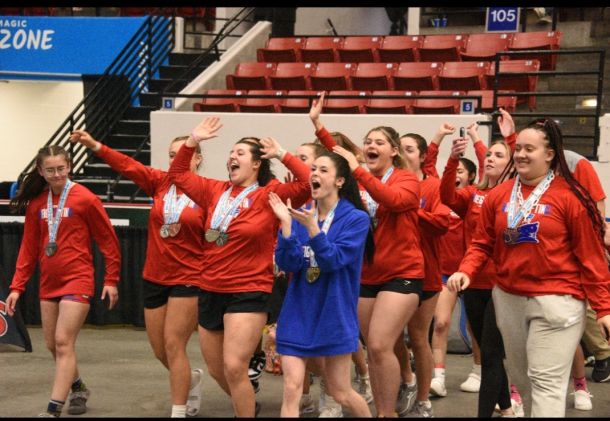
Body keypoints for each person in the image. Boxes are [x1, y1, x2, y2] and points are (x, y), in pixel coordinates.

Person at [447, 117, 610, 417]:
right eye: (518, 148)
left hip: (558, 299)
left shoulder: (572, 197)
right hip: (508, 298)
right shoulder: (499, 195)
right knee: (524, 382)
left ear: (549, 154)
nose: (521, 154)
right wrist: (466, 270)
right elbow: (482, 243)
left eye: (529, 149)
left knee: (545, 382)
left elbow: (591, 257)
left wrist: (603, 308)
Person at [168, 116, 311, 417]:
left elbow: (307, 184)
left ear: (256, 164)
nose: (232, 156)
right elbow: (178, 174)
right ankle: (247, 402)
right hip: (210, 287)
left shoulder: (268, 194)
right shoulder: (213, 190)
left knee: (234, 366)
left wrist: (282, 154)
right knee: (218, 369)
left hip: (248, 289)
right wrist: (192, 141)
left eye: (240, 153)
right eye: (231, 153)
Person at [68, 130, 206, 418]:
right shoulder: (159, 182)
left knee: (174, 344)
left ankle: (178, 410)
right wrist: (95, 145)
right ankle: (191, 379)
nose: (176, 160)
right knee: (160, 350)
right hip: (155, 276)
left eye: (183, 154)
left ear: (198, 158)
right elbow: (127, 165)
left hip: (189, 277)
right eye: (171, 155)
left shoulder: (208, 191)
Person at [310, 92, 424, 417]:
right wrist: (318, 125)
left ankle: (387, 412)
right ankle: (386, 405)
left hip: (402, 273)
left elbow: (393, 200)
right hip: (366, 274)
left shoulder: (406, 179)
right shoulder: (358, 180)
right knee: (373, 351)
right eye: (367, 141)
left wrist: (358, 169)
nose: (371, 145)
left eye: (379, 142)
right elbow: (334, 161)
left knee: (378, 344)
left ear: (394, 151)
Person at [6, 145, 120, 417]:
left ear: (69, 166)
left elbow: (108, 241)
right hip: (49, 282)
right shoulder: (37, 204)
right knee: (52, 345)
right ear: (40, 171)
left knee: (62, 341)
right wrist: (17, 287)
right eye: (50, 170)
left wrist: (111, 279)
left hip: (78, 279)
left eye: (61, 168)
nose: (57, 174)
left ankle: (53, 409)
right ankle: (78, 387)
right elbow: (28, 248)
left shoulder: (86, 199)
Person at [269, 151, 374, 418]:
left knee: (341, 392)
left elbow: (332, 260)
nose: (315, 173)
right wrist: (286, 226)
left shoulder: (356, 219)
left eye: (323, 170)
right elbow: (289, 263)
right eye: (313, 169)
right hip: (298, 312)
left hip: (333, 313)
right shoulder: (303, 215)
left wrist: (314, 230)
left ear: (340, 181)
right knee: (291, 387)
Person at [440, 133, 520, 418]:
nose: (490, 159)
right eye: (488, 155)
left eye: (498, 155)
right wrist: (452, 159)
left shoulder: (518, 196)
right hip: (473, 281)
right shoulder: (473, 194)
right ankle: (506, 408)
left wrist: (508, 137)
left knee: (490, 352)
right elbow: (447, 196)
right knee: (489, 352)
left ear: (511, 163)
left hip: (503, 285)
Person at [425, 123, 487, 399]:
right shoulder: (443, 195)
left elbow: (488, 167)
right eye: (455, 171)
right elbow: (429, 166)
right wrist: (439, 136)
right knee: (440, 323)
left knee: (476, 327)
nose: (456, 175)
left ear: (471, 176)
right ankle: (438, 377)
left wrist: (475, 137)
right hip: (444, 273)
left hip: (471, 272)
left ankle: (478, 371)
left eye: (462, 171)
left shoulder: (474, 197)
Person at [395, 132, 451, 417]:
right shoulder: (390, 183)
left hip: (426, 271)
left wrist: (411, 211)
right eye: (399, 148)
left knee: (418, 337)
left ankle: (423, 400)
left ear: (421, 156)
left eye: (409, 149)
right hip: (392, 271)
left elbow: (442, 224)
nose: (403, 153)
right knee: (388, 336)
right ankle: (407, 379)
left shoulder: (432, 185)